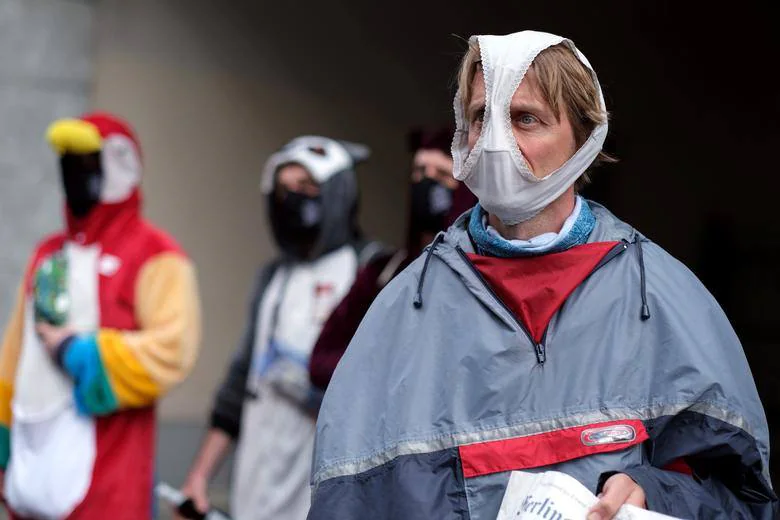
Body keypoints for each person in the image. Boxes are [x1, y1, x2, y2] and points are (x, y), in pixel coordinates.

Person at [308, 31, 776, 519]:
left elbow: (740, 496)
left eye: (524, 119)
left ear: (585, 138)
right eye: (479, 118)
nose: (493, 143)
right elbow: (347, 501)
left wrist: (651, 492)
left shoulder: (663, 298)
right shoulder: (402, 307)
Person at [0, 112, 202, 519]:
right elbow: (13, 358)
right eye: (68, 162)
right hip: (30, 477)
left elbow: (173, 349)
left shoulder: (156, 254)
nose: (75, 174)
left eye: (87, 163)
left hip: (111, 482)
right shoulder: (47, 253)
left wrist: (83, 353)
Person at [179, 136, 381, 520]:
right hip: (255, 485)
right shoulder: (272, 278)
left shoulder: (371, 271)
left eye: (306, 188)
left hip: (322, 491)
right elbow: (237, 387)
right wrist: (199, 477)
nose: (293, 200)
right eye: (284, 190)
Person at [309, 127, 476, 391]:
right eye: (419, 172)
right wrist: (385, 367)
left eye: (442, 175)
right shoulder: (383, 271)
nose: (426, 182)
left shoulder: (482, 279)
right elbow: (321, 361)